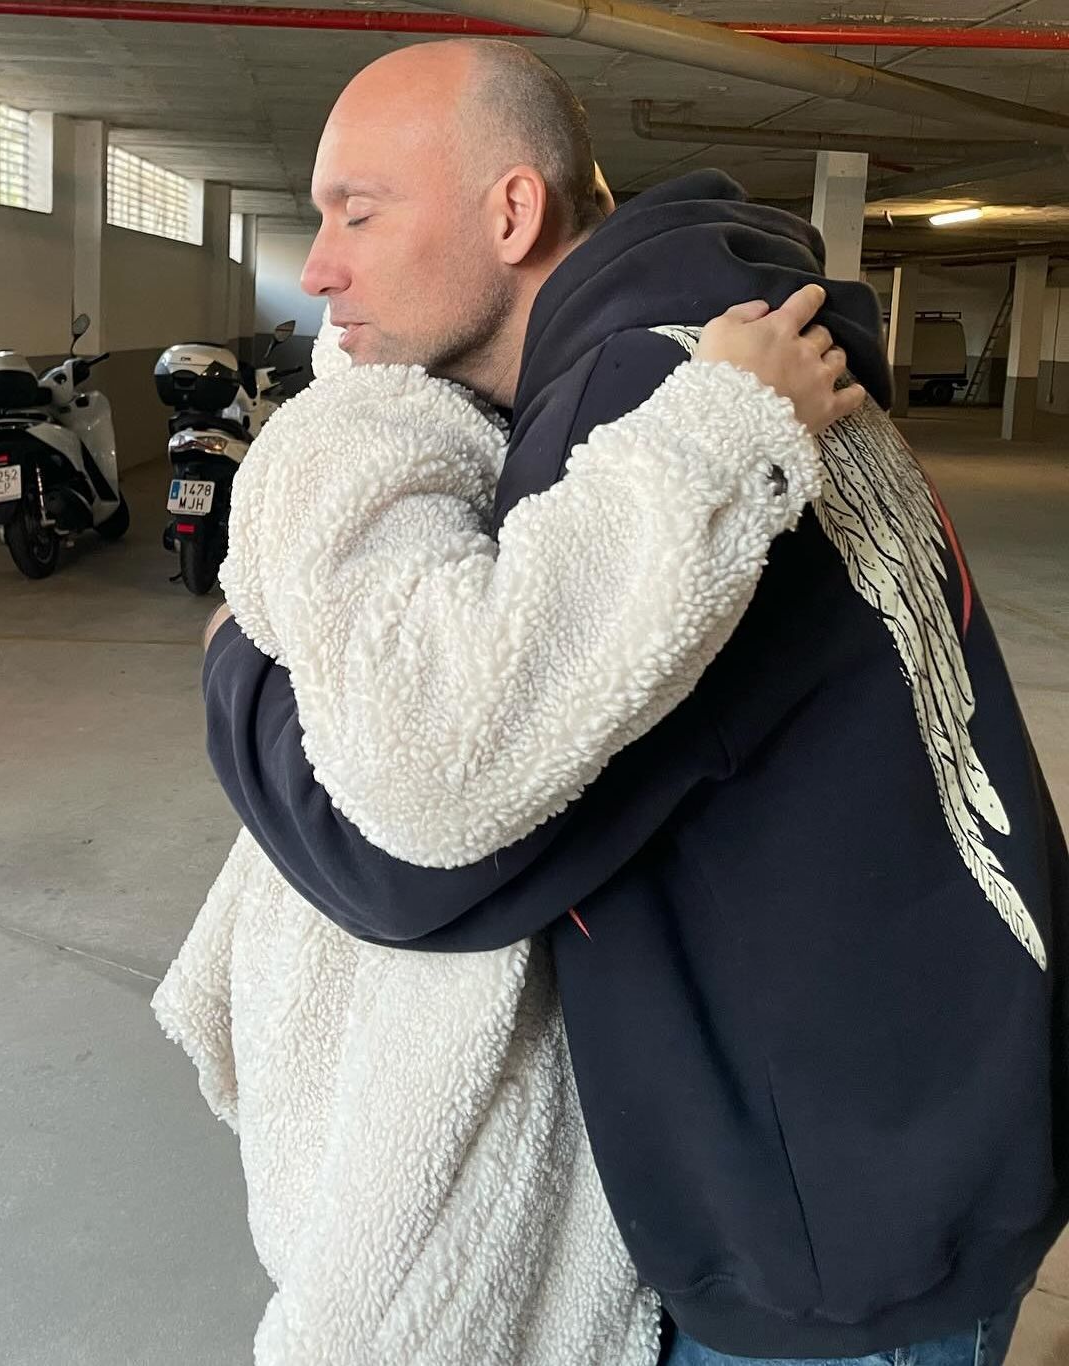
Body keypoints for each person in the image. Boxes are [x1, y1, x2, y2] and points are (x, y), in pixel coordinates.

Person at [201, 38, 1069, 1366]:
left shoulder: (653, 412)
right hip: (927, 1120)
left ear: (513, 211)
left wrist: (235, 661)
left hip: (838, 1225)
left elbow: (416, 852)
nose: (319, 268)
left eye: (356, 214)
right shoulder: (702, 347)